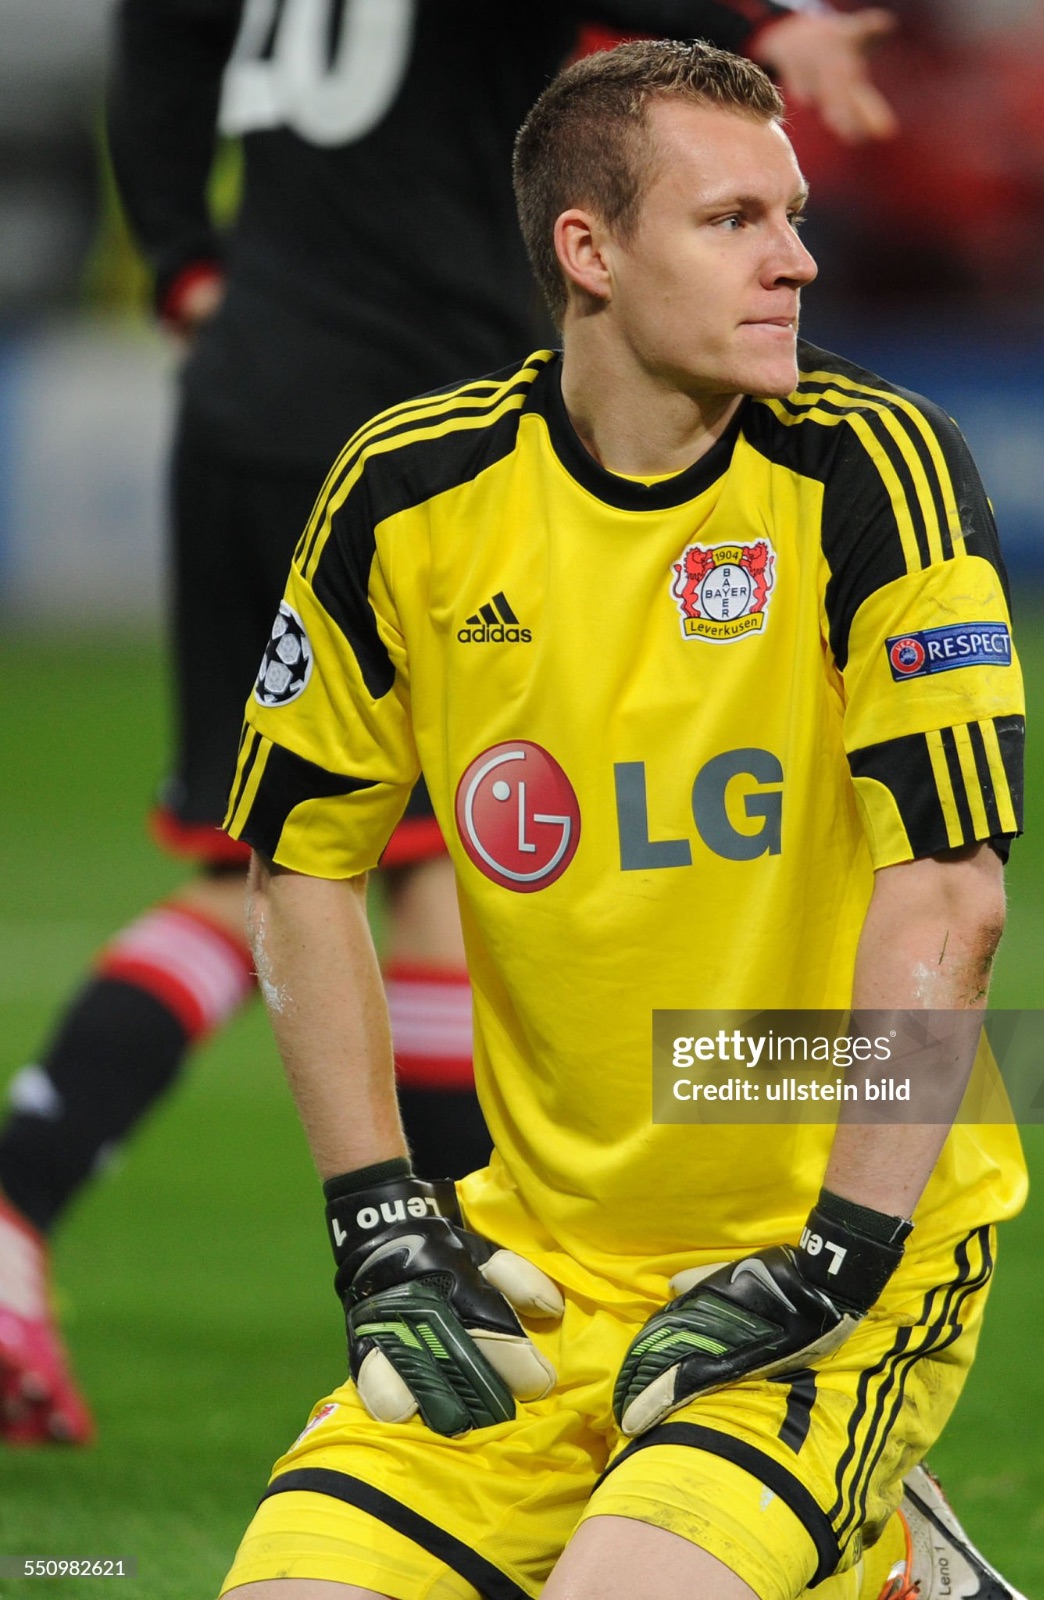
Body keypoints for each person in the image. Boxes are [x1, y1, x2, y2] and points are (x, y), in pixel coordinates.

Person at [0, 0, 903, 1446]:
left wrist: (183, 266)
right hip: (429, 423)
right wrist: (762, 26)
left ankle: (444, 1275)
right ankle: (480, 1276)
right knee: (423, 858)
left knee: (361, 867)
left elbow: (156, 62)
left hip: (249, 400)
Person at [217, 40, 1029, 1600]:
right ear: (587, 253)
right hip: (543, 1260)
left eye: (791, 214)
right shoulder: (409, 492)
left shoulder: (874, 473)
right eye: (732, 220)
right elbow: (301, 865)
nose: (796, 257)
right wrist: (380, 1211)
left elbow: (949, 899)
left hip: (842, 1247)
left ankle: (861, 1546)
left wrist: (839, 1258)